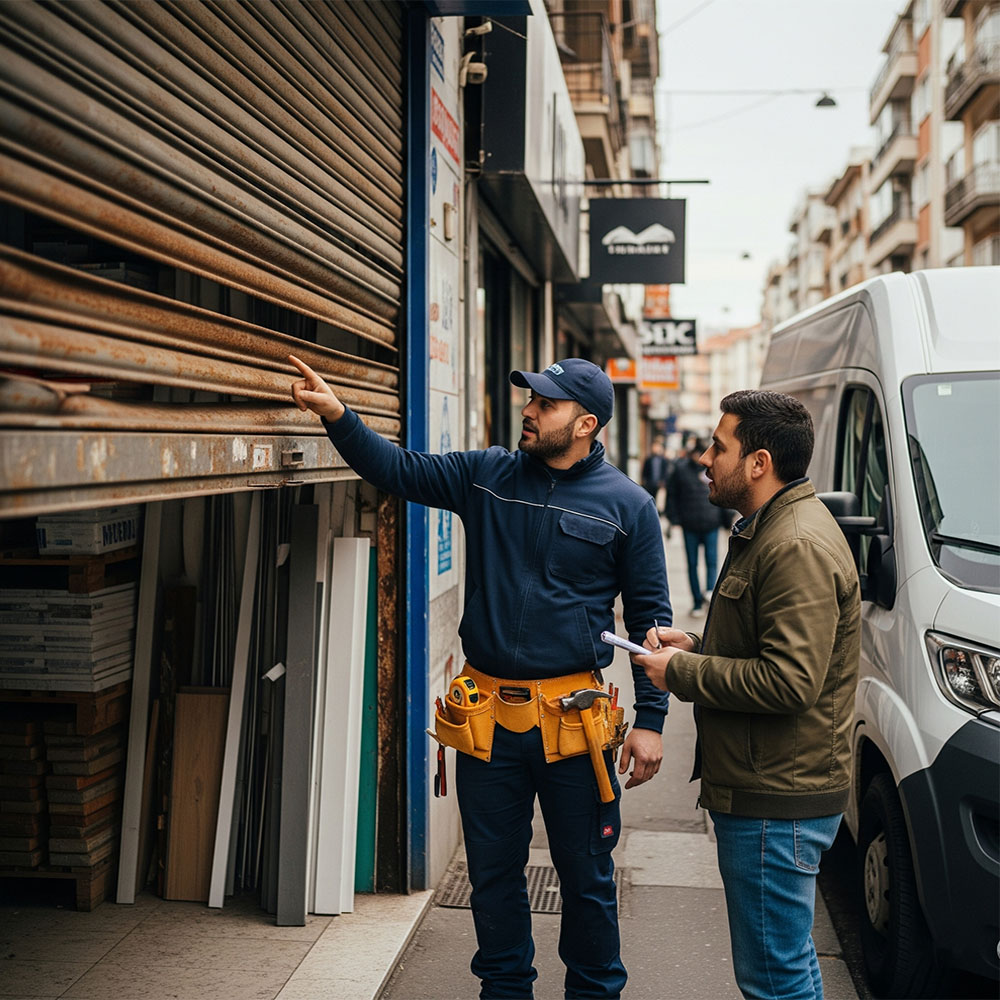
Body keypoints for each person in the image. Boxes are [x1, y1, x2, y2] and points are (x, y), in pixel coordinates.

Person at [289, 354, 671, 1000]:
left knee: (587, 879)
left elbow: (651, 623)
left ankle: (594, 991)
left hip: (575, 726)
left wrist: (652, 722)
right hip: (488, 721)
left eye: (545, 404)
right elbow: (397, 469)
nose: (528, 410)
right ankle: (504, 990)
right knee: (492, 878)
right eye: (530, 398)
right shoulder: (488, 474)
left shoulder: (629, 506)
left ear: (585, 424)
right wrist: (338, 416)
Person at [635, 390, 861, 1000]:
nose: (704, 459)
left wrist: (682, 671)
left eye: (719, 447)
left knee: (774, 980)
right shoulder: (774, 530)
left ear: (759, 463)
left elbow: (790, 680)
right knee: (788, 965)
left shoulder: (794, 544)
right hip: (772, 788)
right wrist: (697, 643)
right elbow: (765, 644)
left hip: (776, 799)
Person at [665, 437, 731, 617]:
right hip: (690, 524)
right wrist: (674, 518)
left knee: (712, 562)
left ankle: (709, 595)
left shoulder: (714, 469)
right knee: (692, 564)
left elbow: (723, 493)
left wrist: (726, 520)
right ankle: (696, 602)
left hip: (711, 523)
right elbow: (672, 495)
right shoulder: (681, 470)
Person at [640, 437, 670, 504]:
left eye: (657, 447)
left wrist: (663, 481)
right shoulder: (649, 459)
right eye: (655, 446)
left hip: (659, 484)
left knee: (658, 500)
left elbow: (665, 472)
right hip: (650, 483)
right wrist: (644, 481)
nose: (656, 448)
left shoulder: (663, 460)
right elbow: (644, 471)